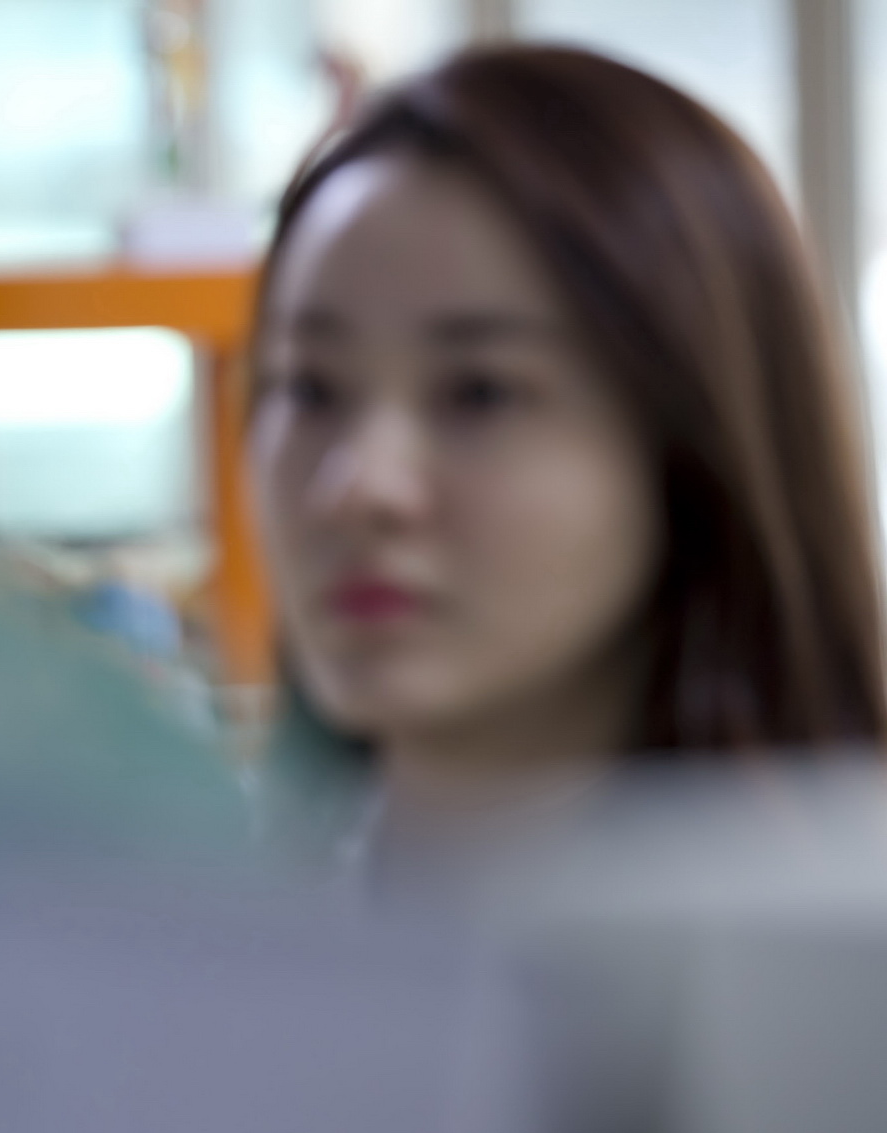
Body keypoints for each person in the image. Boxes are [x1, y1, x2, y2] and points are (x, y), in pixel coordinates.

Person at [247, 46, 887, 856]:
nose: (357, 487)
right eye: (309, 388)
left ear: (693, 442)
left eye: (480, 392)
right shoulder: (189, 907)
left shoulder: (840, 918)